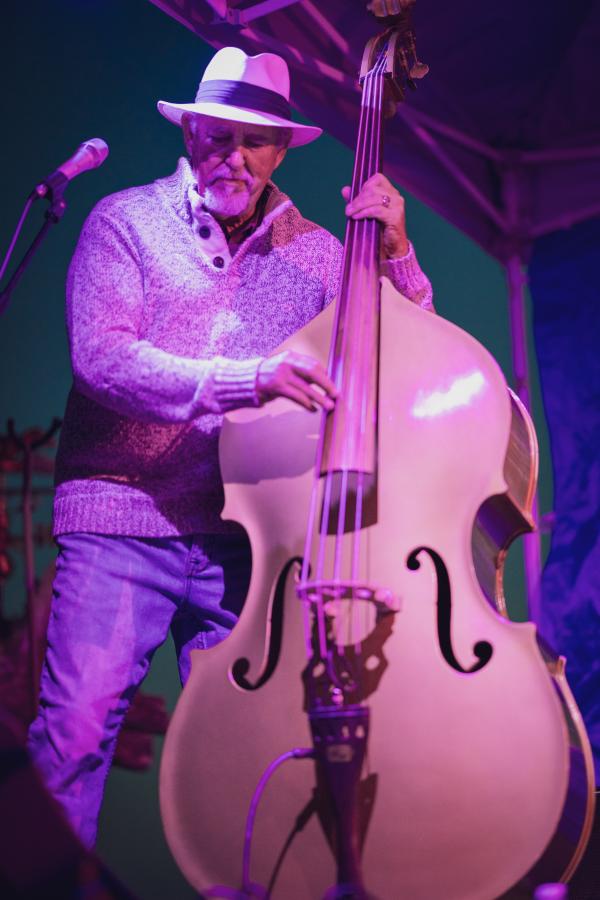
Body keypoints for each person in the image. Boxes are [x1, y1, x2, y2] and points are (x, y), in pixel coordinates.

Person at [27, 46, 434, 848]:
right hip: (120, 520)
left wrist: (396, 252)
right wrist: (251, 378)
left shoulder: (320, 254)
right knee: (73, 739)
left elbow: (407, 359)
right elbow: (102, 360)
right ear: (190, 135)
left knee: (257, 761)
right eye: (218, 136)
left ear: (281, 150)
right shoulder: (125, 223)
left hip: (247, 543)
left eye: (255, 141)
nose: (234, 156)